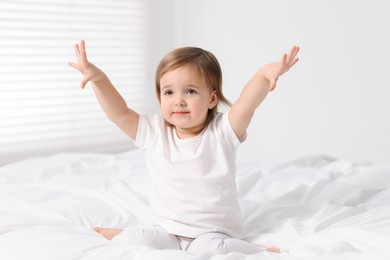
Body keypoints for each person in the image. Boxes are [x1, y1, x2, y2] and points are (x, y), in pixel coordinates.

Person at [69, 41, 299, 254]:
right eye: (169, 92)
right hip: (168, 231)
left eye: (190, 91)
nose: (179, 100)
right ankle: (121, 234)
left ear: (211, 99)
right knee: (137, 241)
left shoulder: (222, 132)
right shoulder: (154, 132)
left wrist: (262, 76)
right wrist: (99, 80)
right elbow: (119, 113)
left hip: (213, 233)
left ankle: (261, 251)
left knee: (209, 250)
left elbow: (245, 105)